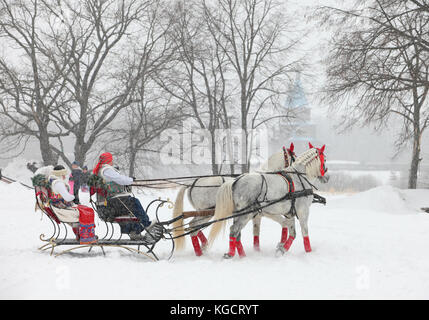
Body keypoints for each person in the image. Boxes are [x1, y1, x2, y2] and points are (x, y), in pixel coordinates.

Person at [92, 152, 160, 241]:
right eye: (111, 160)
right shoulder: (106, 170)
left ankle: (134, 231)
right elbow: (119, 179)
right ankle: (146, 224)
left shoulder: (100, 170)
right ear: (109, 160)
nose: (112, 162)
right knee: (134, 202)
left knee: (131, 207)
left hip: (107, 204)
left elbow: (119, 179)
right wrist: (131, 180)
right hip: (110, 205)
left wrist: (128, 180)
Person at [47, 165, 96, 244]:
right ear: (60, 174)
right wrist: (73, 196)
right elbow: (67, 197)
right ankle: (86, 236)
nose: (65, 176)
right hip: (62, 207)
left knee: (86, 209)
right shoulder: (58, 183)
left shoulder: (54, 181)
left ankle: (82, 235)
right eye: (64, 174)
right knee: (87, 211)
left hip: (62, 205)